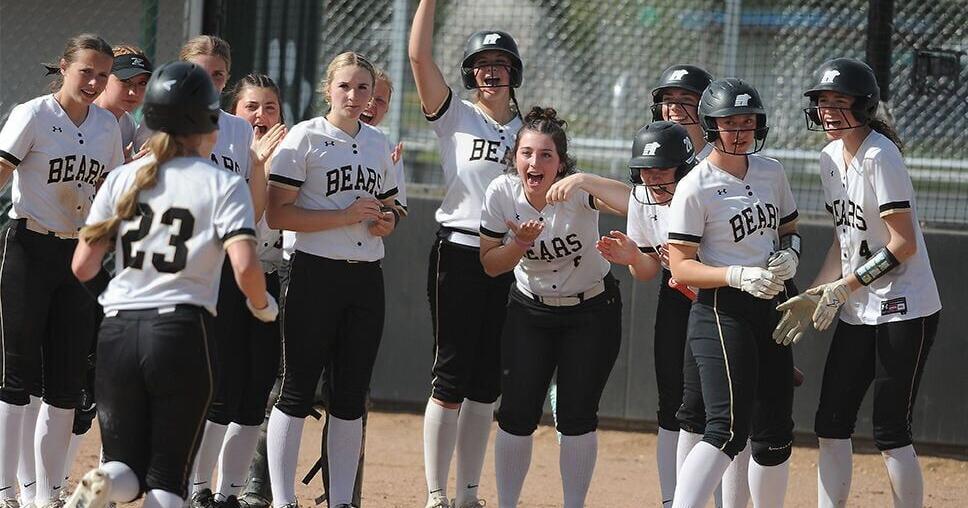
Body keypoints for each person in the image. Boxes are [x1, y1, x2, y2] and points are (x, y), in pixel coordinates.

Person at [60, 60, 276, 508]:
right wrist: (261, 305)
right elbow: (245, 267)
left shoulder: (123, 177)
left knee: (125, 467)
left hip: (118, 331)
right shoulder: (221, 184)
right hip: (181, 332)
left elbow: (83, 265)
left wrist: (114, 302)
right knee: (166, 479)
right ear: (209, 123)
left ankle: (104, 480)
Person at [775, 58, 941, 508]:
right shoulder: (830, 157)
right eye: (822, 101)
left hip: (905, 307)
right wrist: (815, 293)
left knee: (890, 431)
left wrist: (845, 287)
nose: (828, 110)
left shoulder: (879, 155)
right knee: (830, 423)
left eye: (839, 101)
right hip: (858, 307)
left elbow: (903, 244)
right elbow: (844, 240)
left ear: (865, 106)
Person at [264, 51, 399, 508]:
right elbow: (278, 212)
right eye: (345, 86)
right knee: (297, 389)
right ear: (328, 89)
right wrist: (343, 215)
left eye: (363, 88)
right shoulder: (305, 137)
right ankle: (283, 499)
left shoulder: (380, 142)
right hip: (313, 271)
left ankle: (341, 500)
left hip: (365, 278)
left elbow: (391, 208)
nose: (354, 95)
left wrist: (386, 222)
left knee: (350, 395)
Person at [478, 106, 623, 508]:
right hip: (531, 310)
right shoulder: (502, 194)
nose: (534, 162)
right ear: (514, 158)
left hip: (591, 310)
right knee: (516, 414)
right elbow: (490, 265)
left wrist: (586, 179)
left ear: (560, 163)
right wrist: (519, 244)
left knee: (578, 416)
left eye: (546, 155)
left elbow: (635, 202)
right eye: (526, 153)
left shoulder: (576, 192)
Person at [0, 33, 122, 508]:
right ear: (64, 67)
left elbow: (111, 190)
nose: (93, 81)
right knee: (17, 375)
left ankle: (47, 492)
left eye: (102, 75)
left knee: (66, 383)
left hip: (78, 254)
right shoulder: (33, 114)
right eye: (85, 71)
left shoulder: (106, 127)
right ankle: (5, 487)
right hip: (29, 247)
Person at [409, 2, 523, 506]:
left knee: (485, 384)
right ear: (470, 75)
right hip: (457, 253)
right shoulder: (455, 114)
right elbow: (417, 57)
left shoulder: (528, 134)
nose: (491, 71)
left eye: (500, 64)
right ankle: (437, 495)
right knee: (452, 375)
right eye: (481, 65)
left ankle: (468, 493)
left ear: (514, 72)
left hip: (510, 257)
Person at [667, 78, 800, 508]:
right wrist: (737, 275)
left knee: (775, 431)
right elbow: (681, 264)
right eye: (730, 122)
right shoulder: (696, 184)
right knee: (726, 430)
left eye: (748, 121)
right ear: (710, 126)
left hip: (774, 305)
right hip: (723, 310)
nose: (740, 130)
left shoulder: (771, 171)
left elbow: (789, 230)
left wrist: (791, 254)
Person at [175, 36, 280, 508]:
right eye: (200, 71)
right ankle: (191, 485)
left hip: (238, 265)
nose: (208, 81)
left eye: (218, 74)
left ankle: (228, 492)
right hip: (190, 270)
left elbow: (255, 210)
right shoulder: (164, 122)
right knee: (204, 386)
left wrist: (258, 163)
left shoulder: (238, 132)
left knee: (250, 387)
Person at [94, 45, 154, 158]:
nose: (133, 92)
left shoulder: (127, 123)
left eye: (142, 83)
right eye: (125, 81)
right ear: (105, 77)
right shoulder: (83, 115)